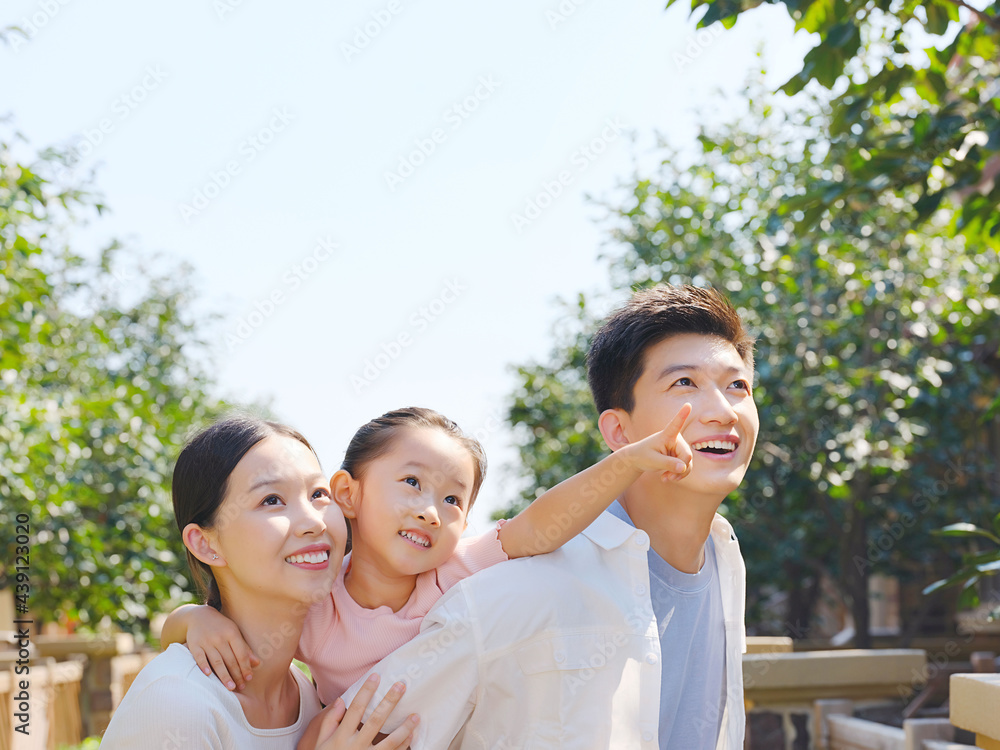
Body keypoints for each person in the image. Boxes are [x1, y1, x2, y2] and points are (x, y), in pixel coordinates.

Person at [310, 284, 756, 750]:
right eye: (685, 383)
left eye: (737, 385)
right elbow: (349, 730)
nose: (723, 410)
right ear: (619, 431)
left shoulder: (724, 559)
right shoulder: (502, 595)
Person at [162, 405, 692, 707]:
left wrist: (625, 464)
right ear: (347, 493)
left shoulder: (455, 575)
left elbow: (537, 528)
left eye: (453, 499)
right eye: (412, 482)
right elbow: (237, 635)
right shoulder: (315, 598)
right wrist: (192, 619)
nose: (431, 511)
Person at [100, 416, 419, 749]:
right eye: (271, 500)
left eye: (318, 494)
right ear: (206, 544)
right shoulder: (177, 702)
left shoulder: (307, 696)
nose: (313, 522)